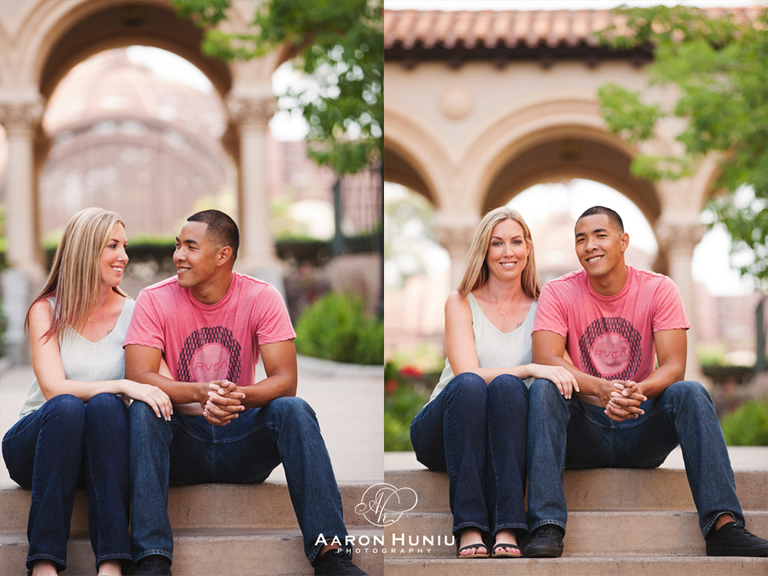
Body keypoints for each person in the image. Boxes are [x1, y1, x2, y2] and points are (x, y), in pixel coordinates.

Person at [124, 209, 366, 576]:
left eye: (190, 247)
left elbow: (285, 379)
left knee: (294, 409)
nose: (178, 256)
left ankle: (331, 554)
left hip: (242, 439)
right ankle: (152, 559)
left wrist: (235, 397)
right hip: (181, 445)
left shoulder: (261, 296)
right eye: (177, 246)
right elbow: (138, 375)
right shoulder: (154, 299)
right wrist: (199, 393)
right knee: (144, 409)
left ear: (222, 255)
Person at [524, 205, 768, 558]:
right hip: (583, 430)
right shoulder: (559, 292)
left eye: (600, 235)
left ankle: (724, 528)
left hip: (640, 425)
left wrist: (637, 391)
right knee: (546, 386)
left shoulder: (658, 289)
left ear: (623, 241)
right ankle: (546, 527)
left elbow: (673, 366)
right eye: (581, 238)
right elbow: (546, 357)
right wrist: (600, 389)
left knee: (691, 392)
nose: (589, 245)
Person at [2, 208, 172, 576]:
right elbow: (53, 388)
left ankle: (111, 563)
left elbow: (163, 384)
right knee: (67, 405)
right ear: (84, 250)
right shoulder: (45, 310)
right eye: (112, 245)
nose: (123, 256)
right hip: (41, 444)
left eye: (124, 245)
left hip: (101, 451)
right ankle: (44, 564)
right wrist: (124, 383)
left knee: (106, 407)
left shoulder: (135, 312)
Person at [410, 207, 577, 559]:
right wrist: (533, 367)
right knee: (472, 383)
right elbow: (466, 370)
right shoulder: (460, 301)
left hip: (507, 434)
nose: (508, 252)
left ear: (528, 248)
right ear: (484, 251)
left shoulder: (545, 305)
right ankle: (469, 527)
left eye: (516, 242)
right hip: (446, 430)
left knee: (506, 388)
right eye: (497, 243)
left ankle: (507, 528)